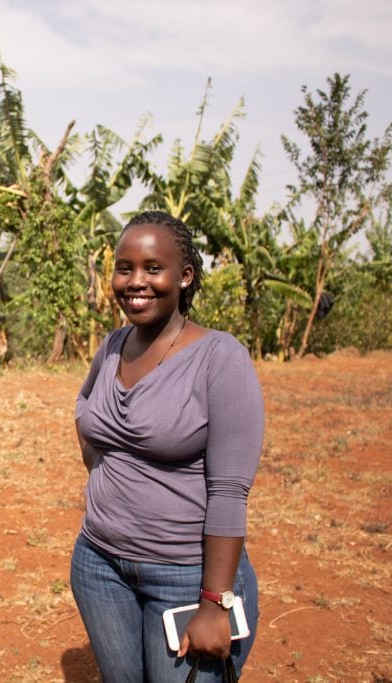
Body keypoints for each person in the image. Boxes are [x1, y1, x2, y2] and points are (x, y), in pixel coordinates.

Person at [70, 211, 264, 682]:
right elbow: (86, 412)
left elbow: (229, 492)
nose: (136, 282)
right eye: (124, 268)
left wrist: (215, 602)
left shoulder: (220, 358)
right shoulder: (113, 346)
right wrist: (114, 486)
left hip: (185, 575)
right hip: (100, 565)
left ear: (185, 275)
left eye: (153, 268)